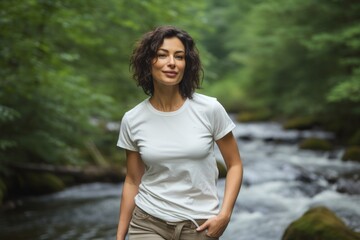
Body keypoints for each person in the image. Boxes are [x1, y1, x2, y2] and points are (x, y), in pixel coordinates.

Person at [116, 25, 243, 240]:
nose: (172, 63)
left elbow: (235, 164)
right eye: (162, 55)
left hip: (199, 226)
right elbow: (132, 180)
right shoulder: (132, 119)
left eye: (179, 56)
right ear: (148, 62)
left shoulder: (209, 109)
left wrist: (225, 215)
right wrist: (120, 236)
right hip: (148, 223)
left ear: (187, 64)